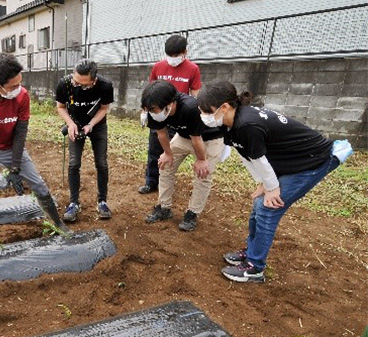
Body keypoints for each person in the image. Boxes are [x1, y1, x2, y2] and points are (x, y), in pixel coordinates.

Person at [197, 80, 352, 283]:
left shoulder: (247, 125)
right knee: (259, 204)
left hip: (311, 161)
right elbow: (248, 156)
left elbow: (259, 158)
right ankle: (252, 252)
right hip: (289, 161)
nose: (203, 117)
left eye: (205, 112)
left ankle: (255, 268)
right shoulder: (230, 124)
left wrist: (272, 188)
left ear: (224, 107)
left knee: (267, 208)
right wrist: (264, 183)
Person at [0, 52, 68, 251]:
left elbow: (20, 132)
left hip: (11, 148)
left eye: (20, 83)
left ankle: (57, 223)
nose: (19, 89)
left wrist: (15, 166)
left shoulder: (22, 97)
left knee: (39, 186)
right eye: (13, 87)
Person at [141, 80, 224, 231]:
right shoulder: (153, 110)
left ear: (171, 103)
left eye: (154, 109)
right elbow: (161, 133)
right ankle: (164, 208)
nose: (153, 113)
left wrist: (201, 160)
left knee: (202, 175)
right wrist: (167, 153)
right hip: (184, 135)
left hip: (209, 138)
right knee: (165, 166)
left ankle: (192, 213)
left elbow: (197, 139)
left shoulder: (191, 107)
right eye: (150, 110)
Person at [139, 34, 203, 195]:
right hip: (158, 112)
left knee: (172, 149)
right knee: (155, 147)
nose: (173, 59)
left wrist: (194, 110)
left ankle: (166, 181)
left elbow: (195, 93)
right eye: (170, 55)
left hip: (178, 114)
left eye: (176, 55)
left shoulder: (192, 68)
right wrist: (144, 111)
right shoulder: (158, 66)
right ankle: (151, 181)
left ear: (184, 52)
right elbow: (150, 91)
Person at [56, 59, 114, 222]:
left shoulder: (105, 85)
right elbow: (60, 107)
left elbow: (103, 109)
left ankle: (102, 201)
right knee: (74, 163)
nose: (78, 86)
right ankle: (74, 203)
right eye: (75, 82)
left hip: (97, 124)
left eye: (83, 85)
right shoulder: (65, 84)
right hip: (74, 123)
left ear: (94, 81)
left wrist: (91, 125)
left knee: (101, 163)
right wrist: (70, 123)